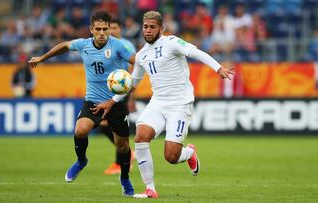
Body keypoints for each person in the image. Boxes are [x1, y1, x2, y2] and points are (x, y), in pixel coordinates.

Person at [93, 11, 234, 199]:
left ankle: (190, 152)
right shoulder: (142, 54)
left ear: (161, 28)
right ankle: (150, 189)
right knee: (141, 137)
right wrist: (112, 101)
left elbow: (196, 52)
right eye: (145, 27)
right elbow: (132, 84)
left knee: (171, 157)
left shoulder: (172, 43)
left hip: (179, 104)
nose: (148, 30)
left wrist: (218, 68)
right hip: (157, 103)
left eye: (152, 27)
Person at [28, 10, 135, 196]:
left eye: (105, 29)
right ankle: (81, 161)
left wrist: (132, 81)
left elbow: (137, 62)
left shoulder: (118, 46)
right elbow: (63, 46)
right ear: (91, 29)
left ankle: (125, 178)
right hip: (93, 100)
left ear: (109, 29)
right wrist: (42, 58)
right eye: (98, 29)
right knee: (80, 130)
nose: (102, 33)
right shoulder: (83, 45)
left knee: (123, 146)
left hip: (115, 102)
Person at [100, 17, 137, 175]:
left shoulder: (126, 45)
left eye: (115, 28)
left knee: (114, 126)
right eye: (111, 28)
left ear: (120, 29)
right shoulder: (105, 45)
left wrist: (131, 96)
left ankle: (120, 162)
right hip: (107, 90)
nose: (113, 31)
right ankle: (127, 153)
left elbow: (133, 70)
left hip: (122, 90)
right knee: (104, 125)